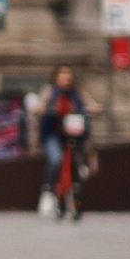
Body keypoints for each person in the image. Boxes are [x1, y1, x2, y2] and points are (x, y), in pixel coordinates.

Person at [36, 64, 89, 217]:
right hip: (53, 132)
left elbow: (88, 103)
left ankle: (76, 191)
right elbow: (41, 104)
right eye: (62, 74)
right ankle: (49, 191)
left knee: (78, 161)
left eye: (68, 74)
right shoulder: (50, 90)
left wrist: (94, 108)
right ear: (56, 77)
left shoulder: (77, 91)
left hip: (73, 133)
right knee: (56, 159)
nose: (66, 77)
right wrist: (41, 109)